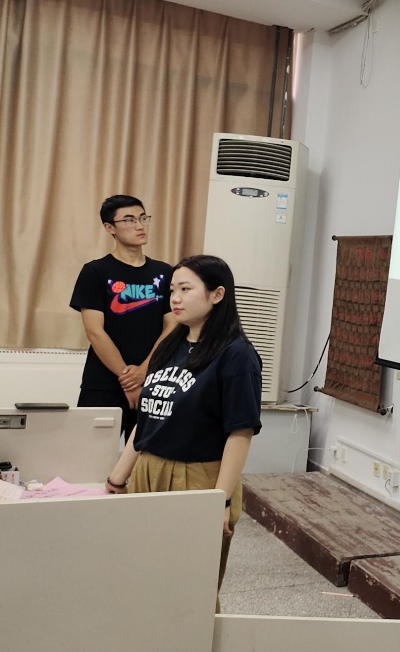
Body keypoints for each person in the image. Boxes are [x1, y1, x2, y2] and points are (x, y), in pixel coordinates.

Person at [105, 254, 263, 613]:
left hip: (198, 477)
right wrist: (118, 476)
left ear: (217, 294)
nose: (175, 298)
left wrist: (220, 500)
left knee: (190, 588)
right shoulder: (169, 345)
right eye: (173, 290)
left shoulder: (236, 355)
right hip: (149, 470)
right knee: (144, 577)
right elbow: (149, 416)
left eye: (186, 289)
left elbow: (240, 433)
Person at [71, 195, 177, 443]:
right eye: (129, 220)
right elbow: (95, 332)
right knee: (88, 453)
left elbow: (172, 326)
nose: (139, 225)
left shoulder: (165, 272)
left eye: (143, 218)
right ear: (110, 228)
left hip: (153, 379)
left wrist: (144, 371)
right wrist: (129, 381)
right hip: (103, 381)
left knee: (144, 456)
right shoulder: (95, 271)